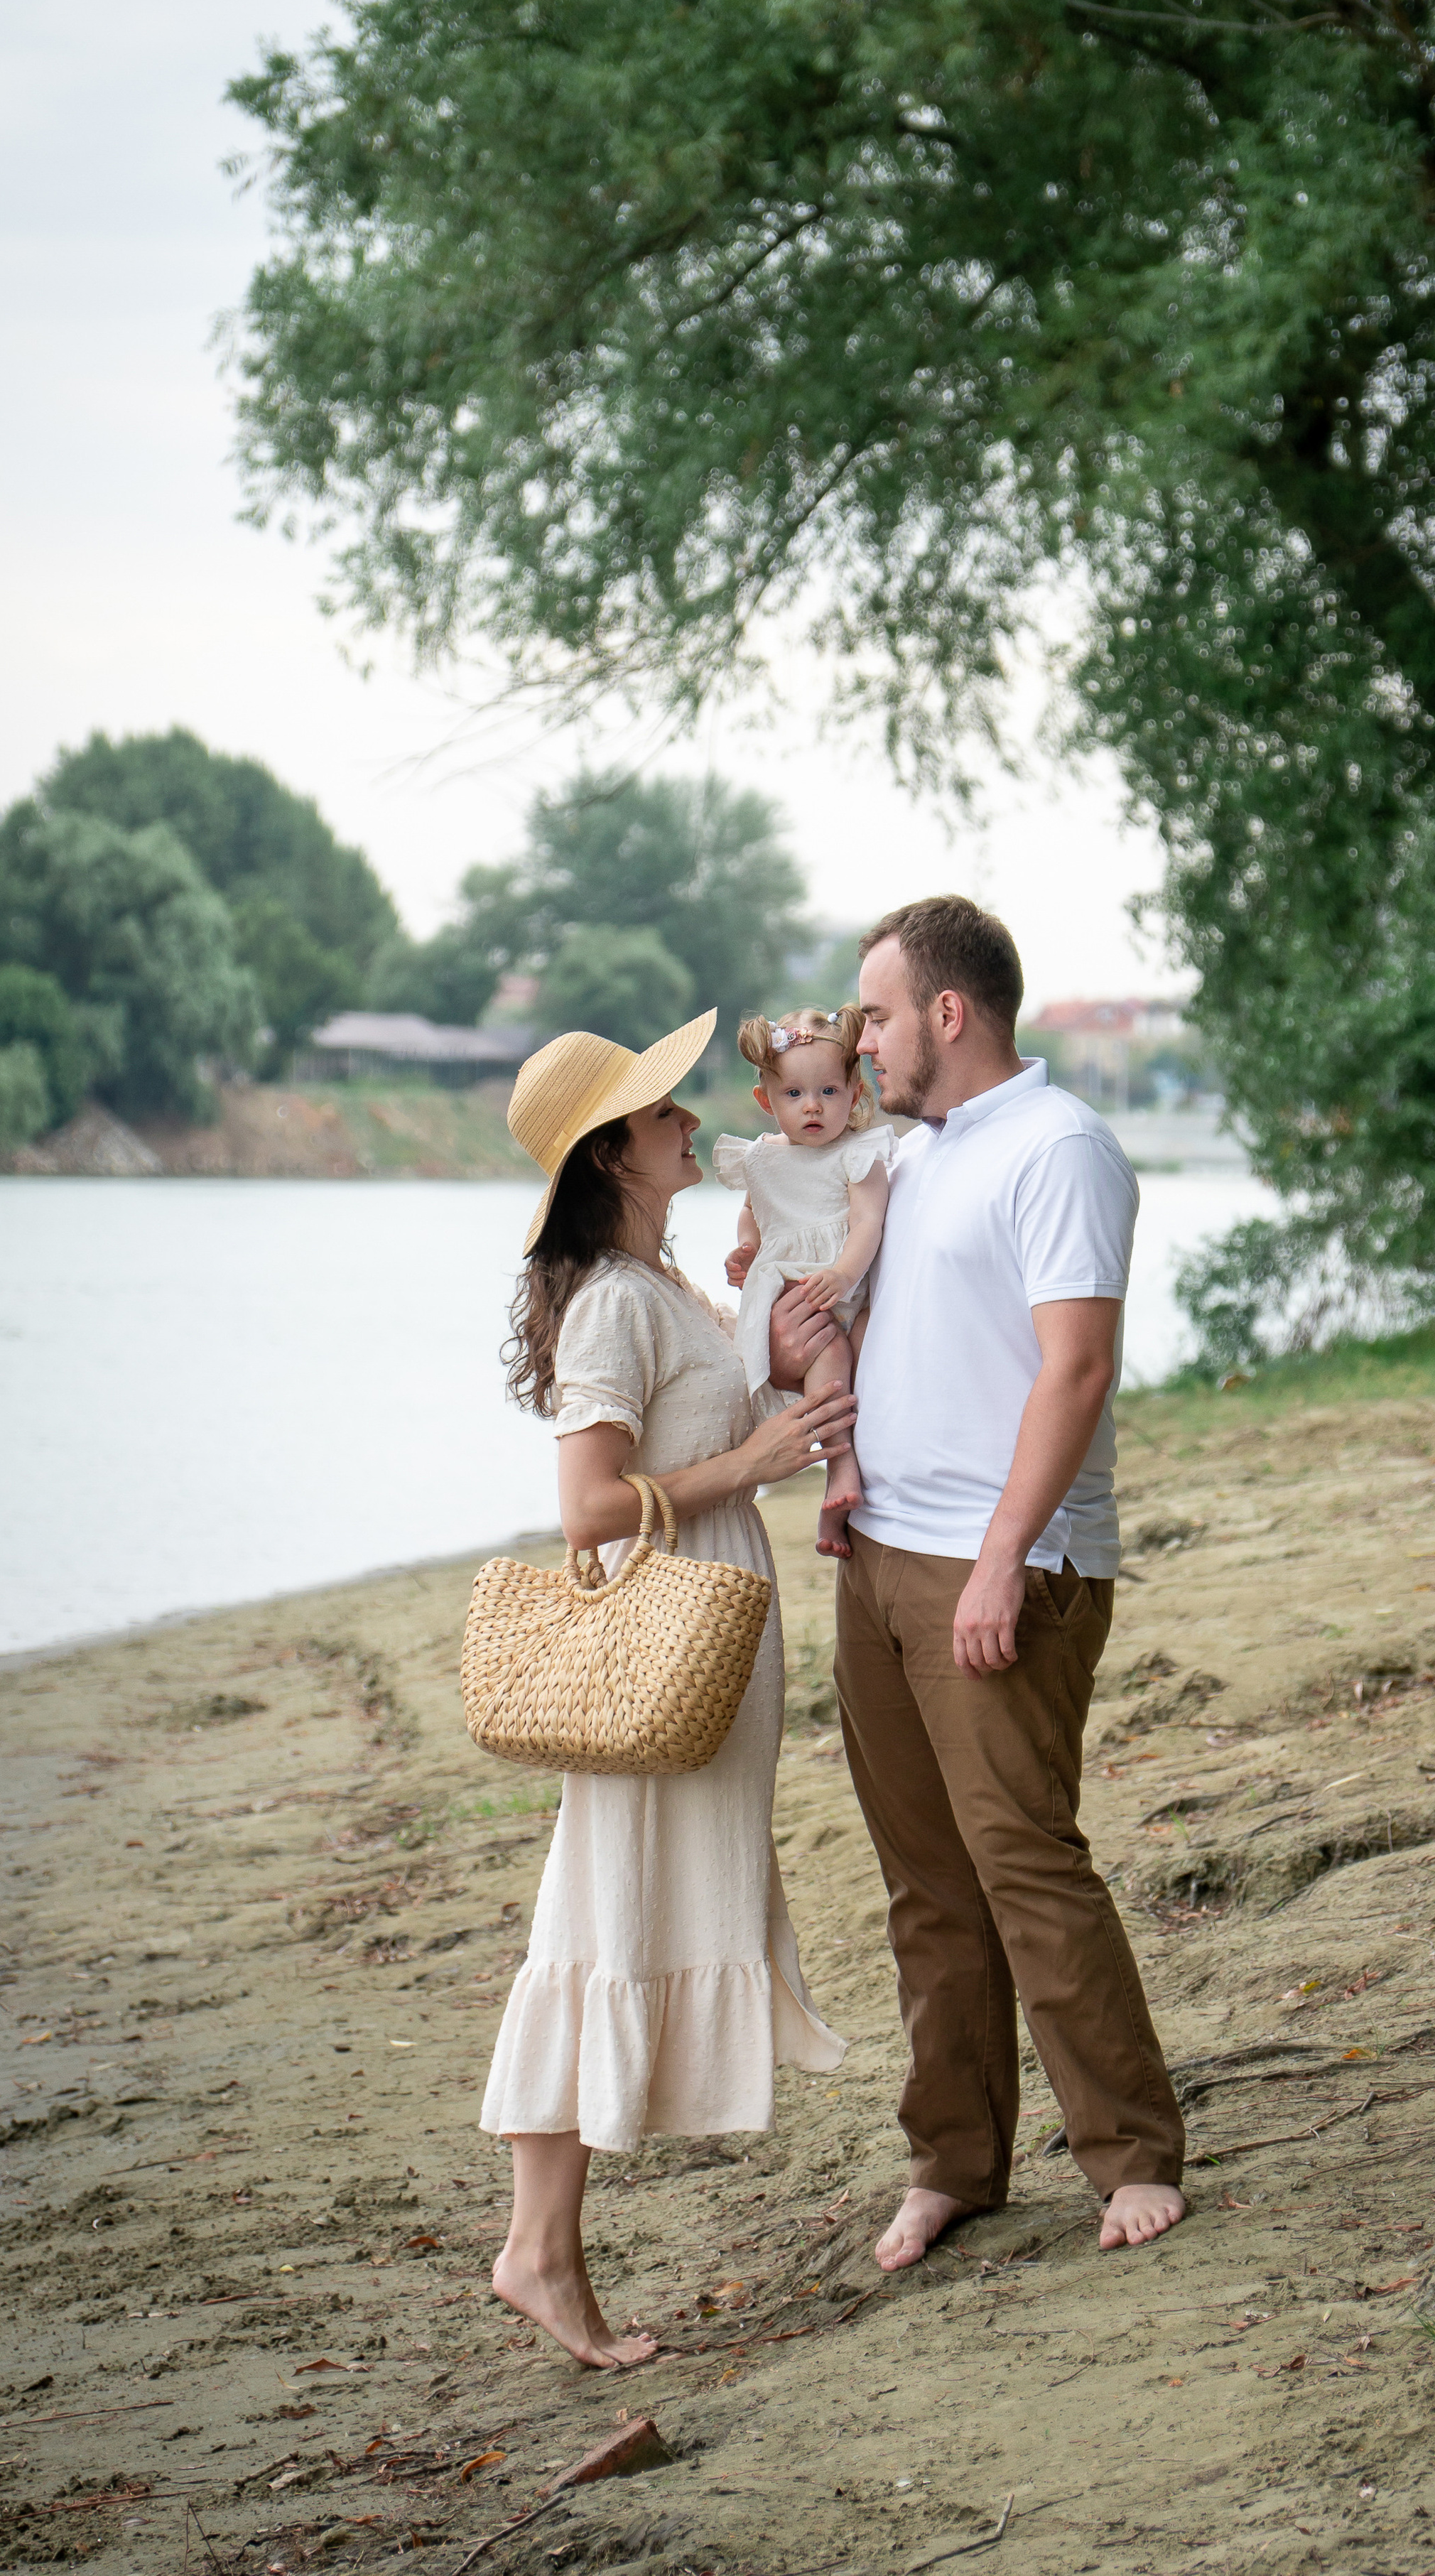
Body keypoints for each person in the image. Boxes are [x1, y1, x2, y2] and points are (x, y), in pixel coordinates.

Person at [770, 897, 1186, 2264]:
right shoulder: (916, 1154)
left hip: (996, 1563)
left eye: (877, 1014)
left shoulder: (1058, 1146)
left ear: (949, 1012)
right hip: (878, 1555)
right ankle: (955, 2158)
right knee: (928, 1885)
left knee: (1023, 1863)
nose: (859, 1041)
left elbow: (1079, 1367)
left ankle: (1132, 2152)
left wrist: (1002, 1557)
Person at [480, 1010, 852, 2368]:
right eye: (662, 1111)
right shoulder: (615, 1304)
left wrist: (769, 1338)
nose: (693, 1118)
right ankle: (537, 2250)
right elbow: (587, 1505)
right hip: (660, 1638)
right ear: (611, 1155)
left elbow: (720, 1415)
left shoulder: (668, 1283)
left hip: (709, 1630)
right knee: (598, 1916)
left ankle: (544, 2246)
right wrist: (754, 1461)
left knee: (614, 1913)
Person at [716, 1005, 894, 1558]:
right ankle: (837, 1465)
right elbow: (752, 1213)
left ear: (854, 1092)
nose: (812, 1105)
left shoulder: (858, 1153)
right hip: (791, 1289)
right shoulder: (761, 1159)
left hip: (840, 1284)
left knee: (863, 1351)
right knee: (830, 1356)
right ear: (766, 1100)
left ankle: (853, 1472)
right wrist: (747, 1251)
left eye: (828, 1091)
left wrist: (843, 1272)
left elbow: (868, 1223)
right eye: (794, 1094)